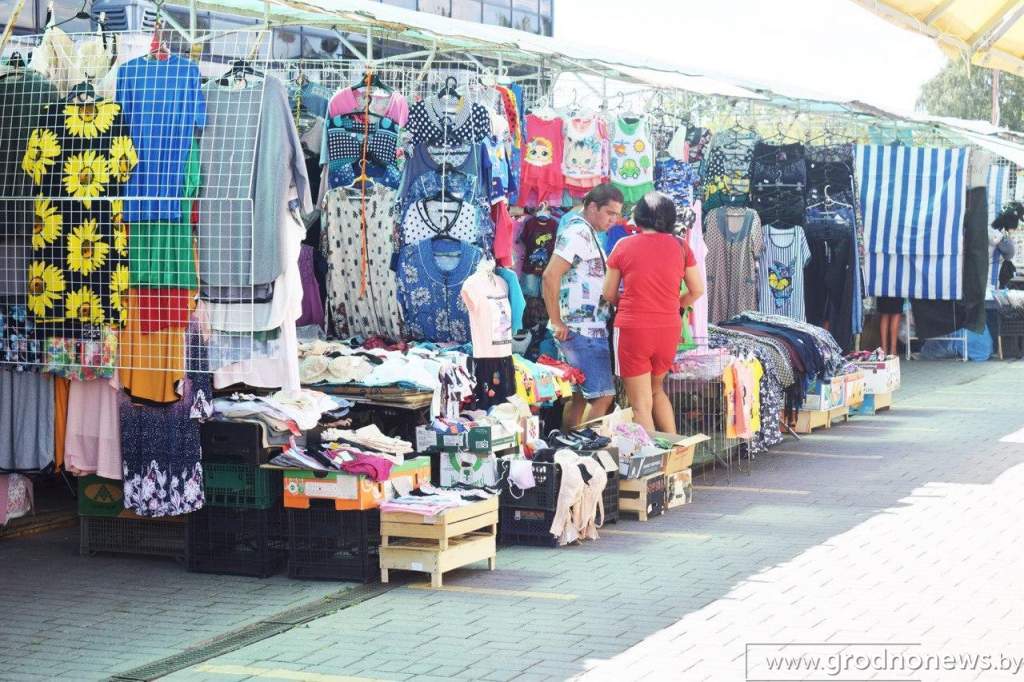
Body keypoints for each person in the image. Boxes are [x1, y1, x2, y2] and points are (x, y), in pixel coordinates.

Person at [602, 191, 704, 433]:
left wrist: (630, 302)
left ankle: (654, 466)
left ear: (638, 217)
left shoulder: (623, 245)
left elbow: (608, 293)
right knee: (657, 390)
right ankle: (678, 455)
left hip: (633, 329)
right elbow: (697, 290)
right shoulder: (681, 246)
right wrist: (675, 305)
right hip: (668, 329)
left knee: (640, 406)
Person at [542, 184, 623, 428]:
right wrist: (555, 320)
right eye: (610, 213)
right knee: (603, 396)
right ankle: (586, 449)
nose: (613, 220)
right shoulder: (578, 233)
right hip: (583, 329)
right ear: (592, 207)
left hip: (585, 327)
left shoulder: (587, 233)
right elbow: (550, 275)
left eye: (617, 215)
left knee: (579, 397)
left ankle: (569, 448)